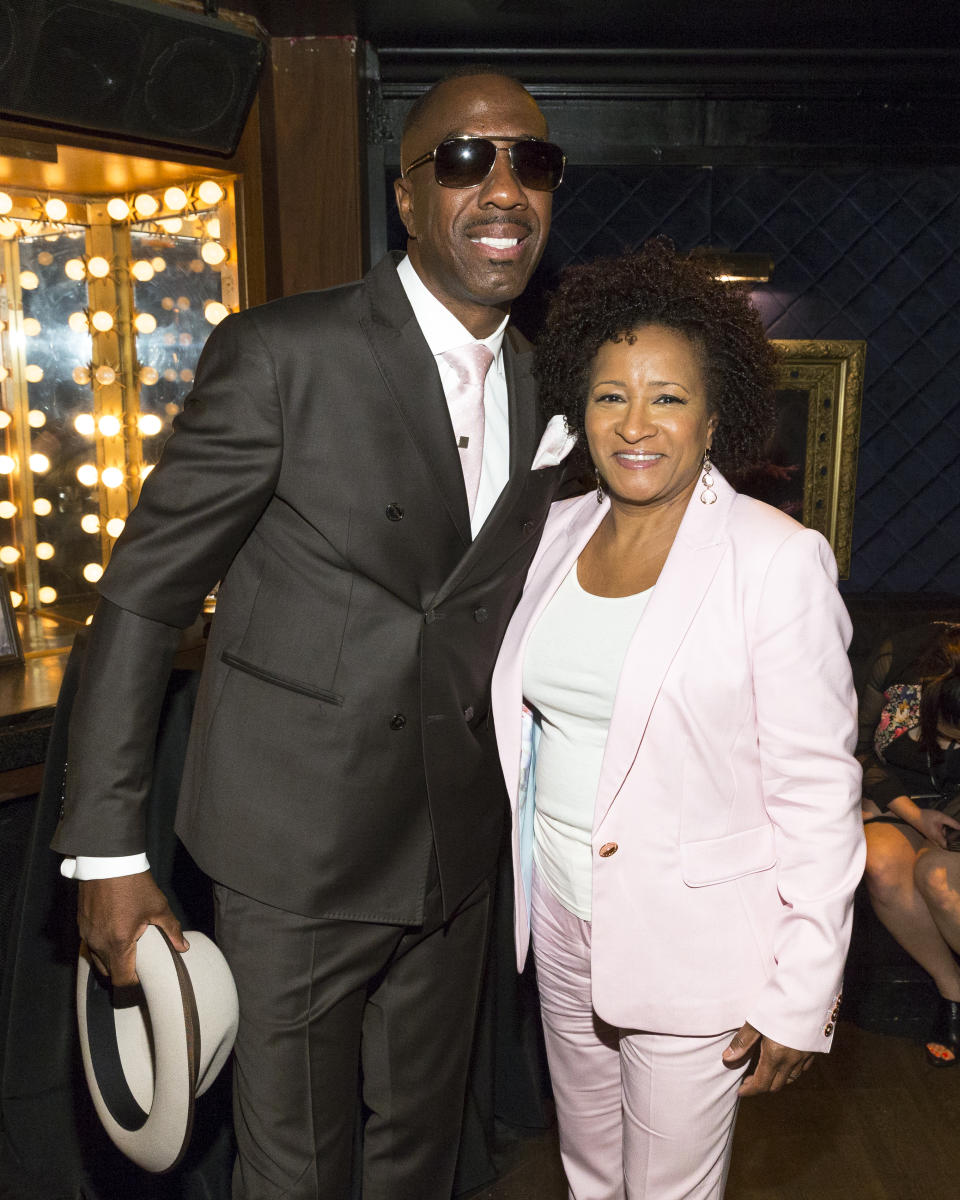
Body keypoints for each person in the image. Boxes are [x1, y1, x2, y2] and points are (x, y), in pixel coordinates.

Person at [52, 70, 570, 1200]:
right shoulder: (286, 354)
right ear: (405, 195)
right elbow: (142, 595)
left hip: (453, 859)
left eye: (531, 162)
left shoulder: (548, 385)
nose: (503, 189)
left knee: (418, 1165)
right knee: (295, 1173)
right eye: (465, 160)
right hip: (293, 854)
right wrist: (108, 851)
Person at [489, 239, 866, 1199]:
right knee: (588, 1173)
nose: (637, 423)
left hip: (697, 948)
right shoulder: (556, 532)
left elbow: (820, 793)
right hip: (565, 924)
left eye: (668, 396)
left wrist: (803, 993)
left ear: (715, 415)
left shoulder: (774, 559)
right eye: (612, 394)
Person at [859, 622, 960, 1066]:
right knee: (880, 865)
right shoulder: (896, 654)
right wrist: (910, 812)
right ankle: (953, 994)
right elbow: (858, 749)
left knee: (934, 876)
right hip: (898, 798)